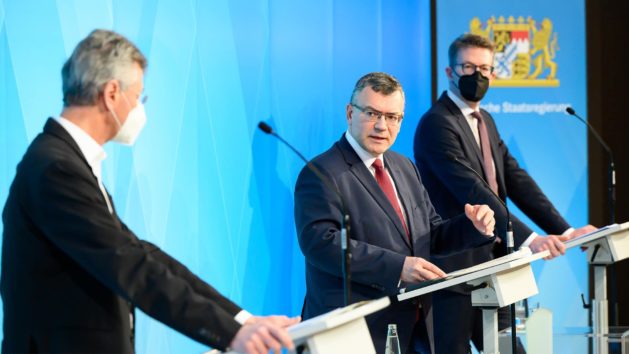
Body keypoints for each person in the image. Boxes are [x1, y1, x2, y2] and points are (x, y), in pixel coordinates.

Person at [1, 29, 298, 354]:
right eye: (139, 96)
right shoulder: (56, 168)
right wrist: (229, 333)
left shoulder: (65, 160)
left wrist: (242, 321)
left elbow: (140, 252)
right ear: (111, 93)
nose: (140, 110)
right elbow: (128, 264)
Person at [413, 33, 596, 353]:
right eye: (468, 67)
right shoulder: (436, 124)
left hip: (495, 266)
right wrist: (529, 238)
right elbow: (473, 190)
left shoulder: (485, 121)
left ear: (495, 73)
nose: (478, 76)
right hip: (456, 272)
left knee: (510, 349)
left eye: (485, 69)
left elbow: (516, 180)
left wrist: (564, 231)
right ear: (449, 72)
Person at [294, 72, 497, 354]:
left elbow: (430, 236)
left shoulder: (404, 167)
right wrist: (398, 266)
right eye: (372, 113)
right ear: (350, 112)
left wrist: (472, 227)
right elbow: (322, 244)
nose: (381, 125)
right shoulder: (322, 172)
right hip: (352, 332)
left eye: (393, 117)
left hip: (411, 329)